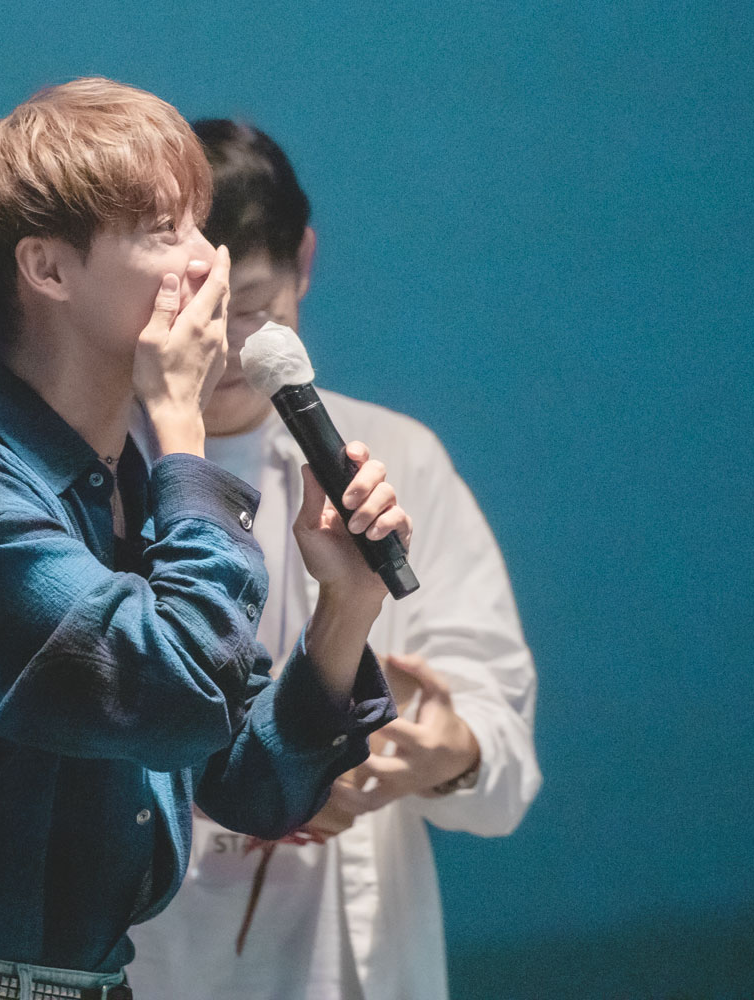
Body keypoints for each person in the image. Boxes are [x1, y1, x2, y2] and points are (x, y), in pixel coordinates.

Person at [0, 80, 419, 1000]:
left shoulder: (125, 486)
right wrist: (180, 426)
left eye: (199, 225)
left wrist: (346, 604)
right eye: (166, 230)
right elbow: (171, 695)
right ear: (47, 269)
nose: (208, 261)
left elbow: (252, 782)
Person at [125, 121, 542, 1000]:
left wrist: (442, 751)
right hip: (152, 960)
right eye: (201, 313)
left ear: (304, 262)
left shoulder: (394, 457)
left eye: (254, 307)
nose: (227, 347)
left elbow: (500, 753)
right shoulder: (97, 473)